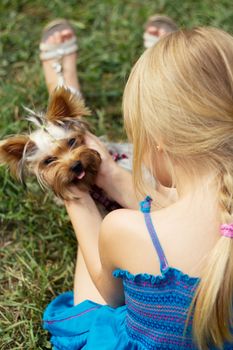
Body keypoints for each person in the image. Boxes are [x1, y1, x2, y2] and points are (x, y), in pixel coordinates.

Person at [40, 18, 233, 350]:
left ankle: (74, 174)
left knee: (94, 301)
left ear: (159, 142)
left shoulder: (123, 231)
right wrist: (113, 176)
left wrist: (75, 196)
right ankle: (176, 87)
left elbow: (108, 296)